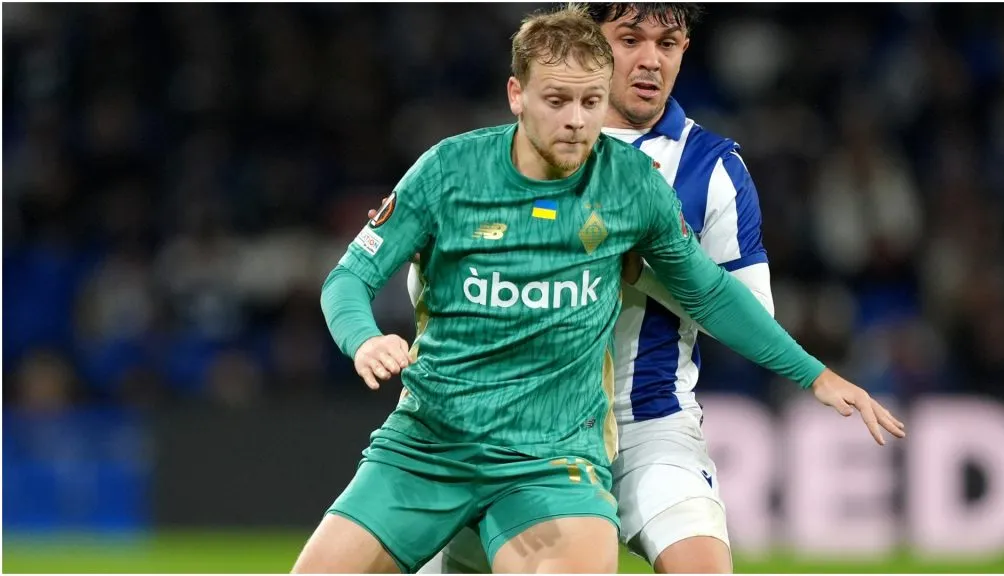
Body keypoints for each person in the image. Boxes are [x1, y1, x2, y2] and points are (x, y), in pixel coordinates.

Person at [294, 4, 903, 574]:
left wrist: (814, 374)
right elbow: (351, 278)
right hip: (434, 435)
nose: (578, 119)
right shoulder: (451, 170)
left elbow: (716, 295)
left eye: (589, 101)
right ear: (518, 95)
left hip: (582, 442)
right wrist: (365, 339)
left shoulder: (650, 181)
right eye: (559, 99)